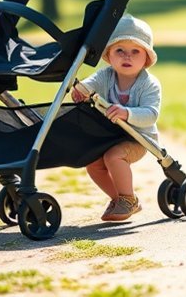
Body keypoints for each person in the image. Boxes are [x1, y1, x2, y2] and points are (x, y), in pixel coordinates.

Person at [70, 13, 162, 221]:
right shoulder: (105, 76)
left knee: (113, 157)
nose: (127, 56)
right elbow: (88, 84)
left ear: (146, 58)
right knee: (93, 164)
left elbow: (151, 114)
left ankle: (127, 197)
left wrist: (127, 112)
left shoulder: (149, 84)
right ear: (109, 55)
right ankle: (120, 199)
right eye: (119, 50)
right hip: (109, 136)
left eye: (135, 51)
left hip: (137, 139)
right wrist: (80, 91)